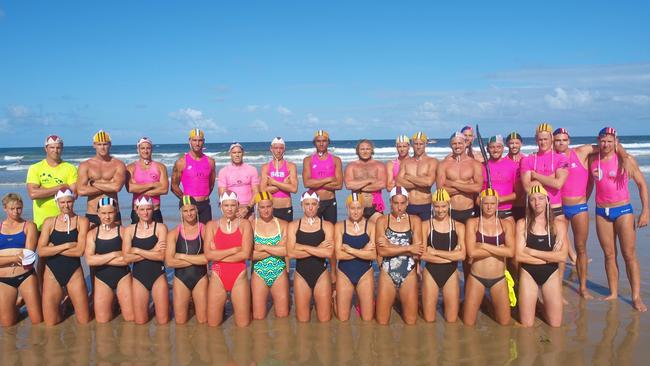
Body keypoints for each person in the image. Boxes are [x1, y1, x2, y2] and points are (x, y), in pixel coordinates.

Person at [589, 127, 648, 312]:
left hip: (623, 210)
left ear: (616, 141)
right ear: (598, 141)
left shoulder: (626, 160)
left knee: (629, 255)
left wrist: (646, 211)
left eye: (609, 140)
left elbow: (641, 185)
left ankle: (636, 297)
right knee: (609, 255)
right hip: (601, 212)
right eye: (602, 140)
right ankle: (613, 292)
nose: (605, 144)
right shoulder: (593, 159)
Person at [516, 185, 568, 327]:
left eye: (540, 198)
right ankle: (536, 305)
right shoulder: (522, 224)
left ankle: (540, 307)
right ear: (529, 203)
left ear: (547, 200)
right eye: (532, 200)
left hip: (551, 274)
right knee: (527, 325)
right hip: (528, 273)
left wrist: (531, 251)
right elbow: (519, 256)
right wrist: (551, 256)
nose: (537, 202)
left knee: (555, 325)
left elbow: (563, 257)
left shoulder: (558, 224)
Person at [37, 188, 90, 325]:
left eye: (69, 202)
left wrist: (52, 248)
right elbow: (41, 252)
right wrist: (66, 245)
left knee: (84, 321)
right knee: (51, 323)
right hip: (52, 273)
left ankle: (66, 303)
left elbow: (79, 252)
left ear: (73, 201)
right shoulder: (49, 222)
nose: (66, 205)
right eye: (62, 202)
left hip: (74, 273)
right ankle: (64, 306)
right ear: (57, 203)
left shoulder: (82, 221)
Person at [463, 189, 515, 326]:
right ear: (480, 204)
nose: (489, 207)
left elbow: (511, 253)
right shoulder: (472, 223)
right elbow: (472, 252)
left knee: (504, 324)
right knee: (468, 324)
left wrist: (483, 245)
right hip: (476, 278)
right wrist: (500, 249)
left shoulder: (506, 224)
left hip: (499, 279)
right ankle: (486, 305)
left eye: (492, 203)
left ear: (497, 204)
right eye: (486, 203)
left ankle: (489, 307)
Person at [375, 187, 423, 325]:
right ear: (390, 202)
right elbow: (382, 252)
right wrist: (409, 248)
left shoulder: (414, 220)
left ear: (407, 202)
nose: (399, 207)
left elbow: (418, 252)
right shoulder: (382, 221)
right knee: (382, 323)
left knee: (411, 323)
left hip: (408, 273)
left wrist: (390, 246)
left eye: (402, 203)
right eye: (396, 203)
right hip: (387, 272)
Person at [204, 191, 252, 327]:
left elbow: (245, 254)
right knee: (213, 325)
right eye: (226, 205)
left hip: (239, 275)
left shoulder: (245, 225)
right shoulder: (211, 226)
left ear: (237, 206)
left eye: (232, 205)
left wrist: (218, 254)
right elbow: (208, 255)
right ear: (220, 206)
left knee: (243, 326)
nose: (229, 208)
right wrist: (233, 250)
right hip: (218, 276)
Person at [287, 190, 335, 322]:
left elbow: (328, 253)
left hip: (321, 274)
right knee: (302, 321)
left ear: (318, 205)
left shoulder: (327, 226)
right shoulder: (293, 226)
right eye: (307, 204)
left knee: (325, 321)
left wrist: (301, 246)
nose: (310, 207)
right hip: (301, 275)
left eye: (313, 204)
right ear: (302, 205)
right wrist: (318, 249)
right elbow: (290, 253)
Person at [85, 197, 134, 323]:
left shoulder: (123, 231)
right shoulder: (92, 234)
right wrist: (114, 254)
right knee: (102, 321)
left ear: (116, 212)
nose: (107, 216)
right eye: (103, 213)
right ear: (98, 214)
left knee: (130, 318)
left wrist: (100, 257)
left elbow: (127, 260)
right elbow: (89, 261)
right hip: (102, 278)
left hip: (123, 276)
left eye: (110, 213)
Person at [420, 189, 465, 323]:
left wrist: (434, 252)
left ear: (449, 204)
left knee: (451, 321)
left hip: (450, 273)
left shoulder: (459, 226)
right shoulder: (426, 225)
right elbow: (422, 255)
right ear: (432, 206)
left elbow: (462, 255)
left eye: (443, 206)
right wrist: (452, 255)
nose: (440, 210)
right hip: (431, 273)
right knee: (429, 321)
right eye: (437, 206)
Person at [122, 196, 169, 325]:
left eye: (148, 209)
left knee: (163, 322)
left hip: (158, 276)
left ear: (153, 209)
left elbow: (161, 256)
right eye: (142, 209)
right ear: (136, 211)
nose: (145, 212)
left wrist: (137, 250)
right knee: (140, 322)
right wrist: (153, 250)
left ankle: (155, 308)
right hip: (138, 278)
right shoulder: (130, 230)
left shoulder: (160, 228)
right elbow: (126, 258)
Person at [165, 196, 209, 324]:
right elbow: (169, 262)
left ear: (196, 210)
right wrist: (197, 259)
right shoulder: (173, 233)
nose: (189, 213)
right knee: (180, 323)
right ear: (181, 212)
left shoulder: (204, 229)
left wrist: (182, 256)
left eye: (192, 210)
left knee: (203, 321)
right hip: (180, 280)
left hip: (200, 278)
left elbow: (207, 258)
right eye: (185, 211)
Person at [0, 193, 42, 326]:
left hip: (25, 275)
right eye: (12, 209)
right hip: (4, 280)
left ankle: (23, 300)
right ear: (5, 208)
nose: (16, 212)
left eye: (19, 208)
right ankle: (17, 306)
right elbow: (20, 256)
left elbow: (28, 258)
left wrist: (3, 258)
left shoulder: (29, 226)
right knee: (8, 324)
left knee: (37, 320)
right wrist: (13, 257)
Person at [334, 193, 376, 321]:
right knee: (342, 319)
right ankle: (334, 298)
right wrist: (363, 251)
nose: (356, 212)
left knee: (367, 320)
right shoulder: (340, 226)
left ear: (363, 208)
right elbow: (338, 254)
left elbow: (373, 255)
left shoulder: (371, 226)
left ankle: (362, 301)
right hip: (344, 274)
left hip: (365, 273)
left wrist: (351, 250)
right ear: (347, 208)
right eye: (352, 208)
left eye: (359, 208)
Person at [26, 135, 78, 231]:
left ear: (62, 148)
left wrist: (43, 190)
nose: (55, 150)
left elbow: (74, 194)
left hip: (65, 222)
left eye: (58, 147)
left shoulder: (70, 168)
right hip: (41, 222)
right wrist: (61, 187)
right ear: (46, 148)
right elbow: (33, 194)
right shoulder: (35, 168)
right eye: (52, 147)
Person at [251, 192, 289, 320]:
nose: (266, 210)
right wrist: (276, 247)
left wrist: (262, 247)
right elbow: (250, 256)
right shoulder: (251, 226)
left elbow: (286, 251)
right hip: (258, 273)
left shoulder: (283, 224)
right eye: (262, 207)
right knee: (258, 318)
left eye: (268, 206)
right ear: (257, 207)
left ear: (273, 206)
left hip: (279, 272)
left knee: (283, 317)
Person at [77, 130, 127, 228]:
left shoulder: (118, 164)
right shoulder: (85, 165)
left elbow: (116, 187)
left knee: (116, 242)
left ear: (110, 144)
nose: (102, 147)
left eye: (105, 144)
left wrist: (93, 183)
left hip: (112, 212)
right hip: (93, 213)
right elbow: (81, 191)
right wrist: (109, 186)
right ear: (94, 145)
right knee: (91, 242)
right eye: (99, 144)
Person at [171, 128, 217, 224]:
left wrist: (204, 196)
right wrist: (186, 199)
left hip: (205, 205)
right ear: (190, 141)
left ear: (203, 142)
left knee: (206, 235)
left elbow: (211, 184)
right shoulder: (181, 162)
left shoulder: (210, 162)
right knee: (189, 236)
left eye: (200, 140)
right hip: (189, 206)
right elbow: (174, 186)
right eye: (194, 140)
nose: (197, 143)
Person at [437, 132, 483, 224]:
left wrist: (453, 184)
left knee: (469, 238)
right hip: (450, 210)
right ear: (450, 145)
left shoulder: (475, 164)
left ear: (465, 144)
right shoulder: (443, 164)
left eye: (460, 143)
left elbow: (478, 188)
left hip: (469, 210)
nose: (457, 146)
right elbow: (440, 190)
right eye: (454, 143)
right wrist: (468, 187)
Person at [302, 130, 343, 224]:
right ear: (314, 143)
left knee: (331, 230)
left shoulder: (336, 160)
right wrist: (328, 179)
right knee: (313, 230)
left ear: (328, 142)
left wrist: (315, 183)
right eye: (318, 141)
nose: (321, 144)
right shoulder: (308, 160)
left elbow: (339, 185)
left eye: (324, 141)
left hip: (330, 202)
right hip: (313, 202)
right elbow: (306, 183)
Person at [126, 137, 169, 224]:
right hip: (137, 211)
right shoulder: (131, 167)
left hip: (155, 211)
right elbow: (130, 188)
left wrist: (139, 189)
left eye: (148, 148)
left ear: (151, 149)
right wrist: (153, 184)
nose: (145, 151)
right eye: (142, 148)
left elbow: (164, 189)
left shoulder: (160, 167)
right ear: (138, 149)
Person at [344, 139, 387, 224]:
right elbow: (349, 185)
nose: (365, 151)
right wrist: (369, 181)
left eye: (368, 149)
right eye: (362, 149)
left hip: (375, 207)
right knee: (358, 234)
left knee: (377, 234)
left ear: (372, 150)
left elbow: (382, 184)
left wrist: (358, 186)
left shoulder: (379, 165)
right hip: (357, 207)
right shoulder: (351, 166)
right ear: (357, 151)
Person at [397, 132, 438, 221]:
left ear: (426, 144)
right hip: (409, 205)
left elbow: (428, 182)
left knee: (425, 233)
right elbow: (398, 183)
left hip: (425, 205)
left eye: (421, 144)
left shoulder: (432, 161)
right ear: (412, 144)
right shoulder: (406, 162)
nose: (418, 146)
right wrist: (421, 183)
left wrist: (409, 177)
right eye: (416, 144)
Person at [260, 137, 298, 222]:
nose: (278, 151)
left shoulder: (291, 166)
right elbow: (263, 190)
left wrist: (274, 182)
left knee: (286, 235)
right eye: (276, 148)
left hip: (286, 207)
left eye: (281, 148)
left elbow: (294, 189)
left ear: (284, 149)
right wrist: (283, 184)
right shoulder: (265, 167)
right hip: (271, 208)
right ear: (271, 149)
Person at [218, 142, 260, 219]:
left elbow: (256, 192)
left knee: (249, 230)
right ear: (230, 154)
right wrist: (233, 210)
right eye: (234, 152)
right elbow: (222, 194)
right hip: (231, 210)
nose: (237, 155)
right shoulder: (223, 171)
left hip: (249, 210)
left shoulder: (252, 170)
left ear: (243, 153)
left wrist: (246, 209)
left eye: (239, 152)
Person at [481, 135, 518, 220]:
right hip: (487, 212)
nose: (495, 150)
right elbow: (478, 194)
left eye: (498, 147)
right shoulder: (481, 167)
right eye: (492, 147)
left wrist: (500, 199)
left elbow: (518, 194)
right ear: (487, 149)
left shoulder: (514, 166)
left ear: (503, 148)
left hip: (506, 211)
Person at [505, 132, 527, 221]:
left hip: (524, 204)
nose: (514, 146)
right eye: (511, 143)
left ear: (521, 144)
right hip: (508, 205)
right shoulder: (503, 162)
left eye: (517, 143)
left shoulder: (527, 160)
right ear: (507, 144)